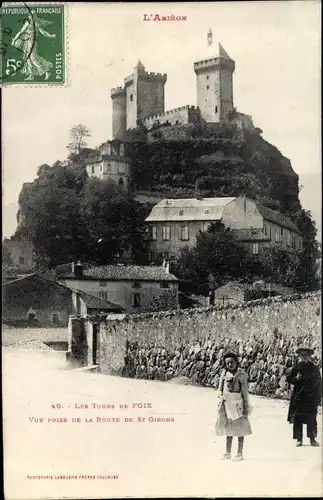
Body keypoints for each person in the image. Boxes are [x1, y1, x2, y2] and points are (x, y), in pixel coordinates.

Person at [215, 352, 252, 461]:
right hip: (227, 403)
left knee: (240, 427)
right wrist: (220, 395)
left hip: (238, 403)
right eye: (227, 363)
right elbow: (219, 389)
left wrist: (246, 404)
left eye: (232, 362)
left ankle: (239, 453)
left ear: (236, 362)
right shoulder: (224, 374)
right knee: (228, 427)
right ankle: (227, 452)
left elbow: (245, 391)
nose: (230, 365)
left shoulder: (241, 375)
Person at [287, 347, 322, 447]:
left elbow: (319, 383)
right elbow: (289, 378)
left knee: (312, 418)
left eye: (307, 355)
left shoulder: (314, 368)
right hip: (299, 397)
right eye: (303, 356)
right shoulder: (297, 367)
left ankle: (312, 439)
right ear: (300, 357)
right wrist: (296, 379)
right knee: (298, 417)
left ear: (310, 356)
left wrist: (318, 398)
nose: (305, 357)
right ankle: (299, 439)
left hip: (311, 397)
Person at [11, 13, 56, 81]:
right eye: (30, 15)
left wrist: (51, 36)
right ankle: (31, 75)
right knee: (28, 59)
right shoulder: (27, 23)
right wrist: (14, 40)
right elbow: (20, 32)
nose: (31, 17)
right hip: (26, 43)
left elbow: (43, 32)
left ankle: (46, 71)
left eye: (33, 15)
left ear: (35, 16)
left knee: (33, 58)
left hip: (32, 43)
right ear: (29, 16)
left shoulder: (37, 24)